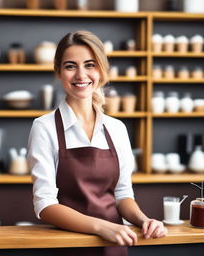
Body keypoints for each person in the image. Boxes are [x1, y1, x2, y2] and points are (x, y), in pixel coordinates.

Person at [27, 30, 167, 256]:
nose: (81, 75)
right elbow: (45, 206)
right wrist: (102, 227)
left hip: (115, 244)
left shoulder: (116, 129)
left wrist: (144, 220)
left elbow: (122, 196)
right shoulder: (44, 127)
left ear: (101, 70)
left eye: (90, 65)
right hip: (69, 246)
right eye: (70, 66)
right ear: (58, 72)